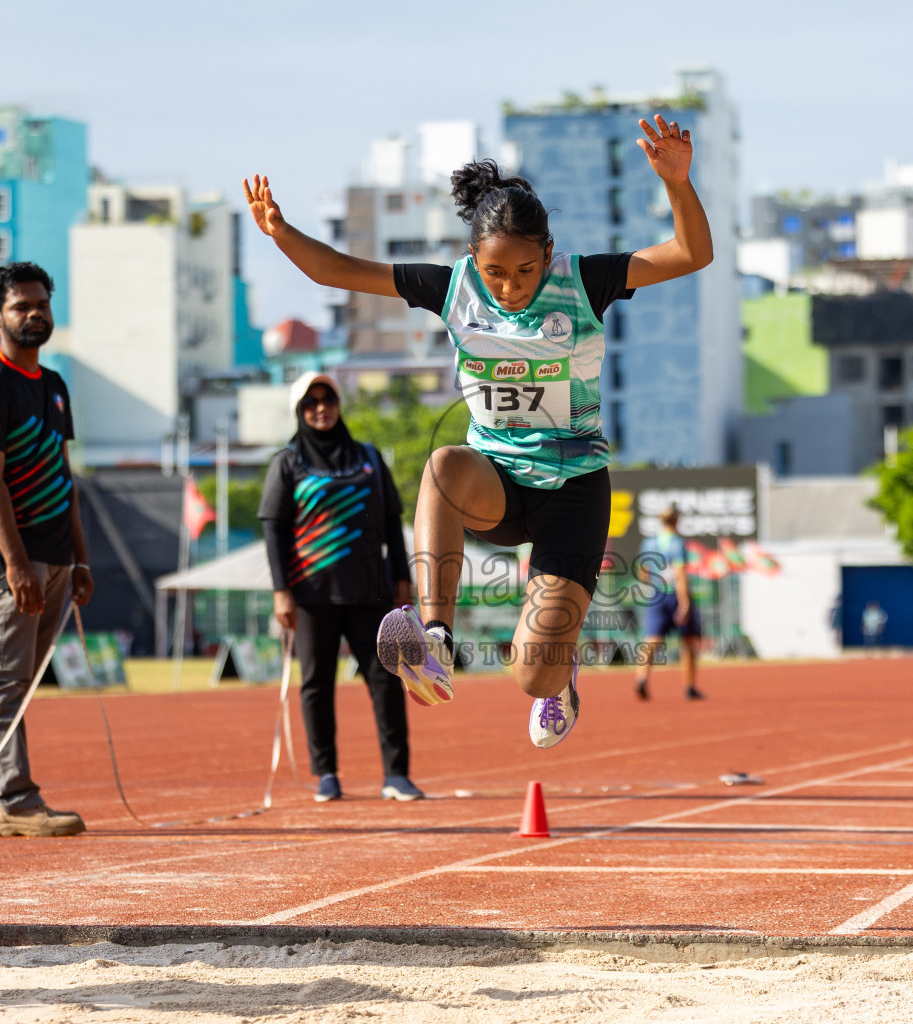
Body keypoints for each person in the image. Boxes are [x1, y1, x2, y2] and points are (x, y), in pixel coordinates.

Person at [243, 114, 713, 749]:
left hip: (572, 495)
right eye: (496, 274)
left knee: (530, 676)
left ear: (547, 253)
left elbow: (691, 254)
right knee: (443, 464)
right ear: (474, 260)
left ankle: (561, 670)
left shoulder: (585, 280)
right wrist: (280, 232)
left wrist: (679, 186)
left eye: (524, 271)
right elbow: (335, 271)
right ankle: (435, 638)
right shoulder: (453, 289)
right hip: (497, 484)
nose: (511, 288)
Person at [0, 262, 90, 838]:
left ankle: (7, 793)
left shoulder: (53, 385)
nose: (34, 314)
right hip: (9, 558)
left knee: (24, 680)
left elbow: (63, 473)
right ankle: (7, 799)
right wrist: (14, 564)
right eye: (21, 307)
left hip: (56, 557)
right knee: (3, 678)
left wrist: (79, 557)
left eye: (41, 304)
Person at [259, 371, 420, 802]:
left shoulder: (368, 457)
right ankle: (326, 773)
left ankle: (397, 775)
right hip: (312, 594)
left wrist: (402, 577)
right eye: (310, 403)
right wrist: (281, 591)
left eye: (327, 399)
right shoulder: (287, 462)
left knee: (386, 680)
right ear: (299, 410)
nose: (320, 409)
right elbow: (273, 530)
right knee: (316, 684)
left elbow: (390, 520)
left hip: (372, 590)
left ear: (338, 403)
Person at [633, 506, 703, 701]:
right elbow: (680, 574)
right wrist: (685, 602)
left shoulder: (649, 542)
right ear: (676, 519)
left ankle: (641, 678)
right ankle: (689, 686)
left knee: (651, 638)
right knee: (687, 640)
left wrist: (652, 586)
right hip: (675, 594)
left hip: (656, 594)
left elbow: (642, 571)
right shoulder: (678, 543)